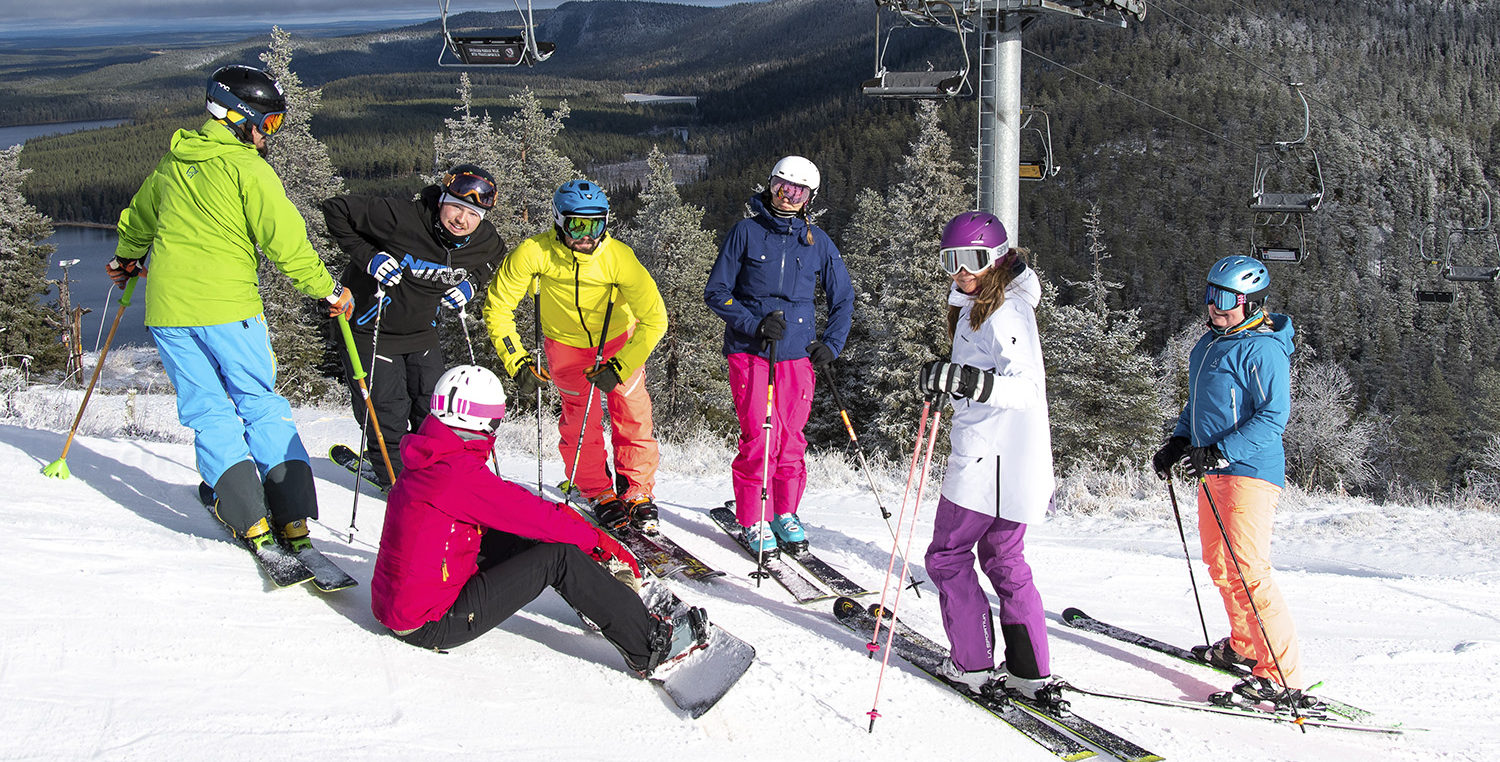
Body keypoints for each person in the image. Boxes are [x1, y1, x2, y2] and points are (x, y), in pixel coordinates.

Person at [110, 64, 354, 551]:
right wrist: (330, 290)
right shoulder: (249, 170)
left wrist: (126, 259)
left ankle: (247, 515)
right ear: (237, 117)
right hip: (229, 309)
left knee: (207, 410)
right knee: (259, 403)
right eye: (268, 124)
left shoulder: (174, 162)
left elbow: (139, 219)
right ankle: (291, 516)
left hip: (170, 314)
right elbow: (286, 243)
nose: (270, 136)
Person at [370, 364, 707, 676]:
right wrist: (598, 542)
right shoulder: (456, 476)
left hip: (404, 604)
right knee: (557, 557)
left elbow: (514, 510)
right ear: (484, 423)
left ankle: (599, 597)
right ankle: (649, 646)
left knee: (531, 538)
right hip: (431, 622)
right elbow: (535, 515)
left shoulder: (430, 454)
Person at [1151, 255, 1314, 708]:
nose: (1214, 307)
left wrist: (1221, 452)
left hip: (1249, 472)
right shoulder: (1207, 345)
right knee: (1221, 567)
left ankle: (1280, 676)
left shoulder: (1262, 350)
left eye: (1225, 299)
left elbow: (1272, 418)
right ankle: (1245, 647)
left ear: (1252, 302)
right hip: (1211, 471)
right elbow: (1196, 404)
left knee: (1249, 571)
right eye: (1209, 296)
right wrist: (1179, 442)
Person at [915, 211, 1061, 705]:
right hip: (1010, 459)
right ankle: (1029, 670)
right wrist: (949, 378)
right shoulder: (988, 302)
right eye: (951, 260)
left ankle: (972, 663)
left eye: (972, 259)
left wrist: (963, 382)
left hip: (987, 460)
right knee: (1004, 557)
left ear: (996, 258)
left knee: (948, 556)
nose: (961, 271)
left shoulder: (1003, 313)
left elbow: (1023, 387)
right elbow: (975, 373)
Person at [483, 180, 668, 532]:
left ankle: (637, 491)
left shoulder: (619, 258)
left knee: (633, 414)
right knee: (579, 421)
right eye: (577, 225)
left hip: (617, 343)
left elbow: (656, 319)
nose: (587, 235)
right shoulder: (534, 253)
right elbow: (498, 307)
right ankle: (598, 492)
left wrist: (622, 365)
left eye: (596, 224)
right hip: (565, 348)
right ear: (558, 221)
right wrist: (516, 360)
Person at [703, 155, 853, 555]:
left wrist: (831, 344)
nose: (788, 196)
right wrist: (752, 323)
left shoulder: (818, 242)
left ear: (810, 197)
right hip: (752, 353)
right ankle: (753, 517)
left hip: (797, 357)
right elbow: (716, 292)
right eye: (782, 187)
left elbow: (843, 298)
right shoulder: (746, 233)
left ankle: (784, 512)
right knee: (759, 438)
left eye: (798, 191)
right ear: (769, 185)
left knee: (791, 440)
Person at [320, 164, 505, 483]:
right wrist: (369, 257)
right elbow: (335, 208)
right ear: (442, 199)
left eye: (473, 214)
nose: (462, 219)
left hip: (421, 332)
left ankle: (436, 475)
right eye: (457, 207)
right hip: (369, 327)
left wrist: (472, 283)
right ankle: (397, 481)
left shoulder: (482, 239)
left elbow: (495, 256)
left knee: (435, 411)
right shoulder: (401, 217)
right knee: (386, 412)